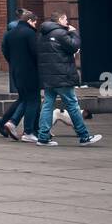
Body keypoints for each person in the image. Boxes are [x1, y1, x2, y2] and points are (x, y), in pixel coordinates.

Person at [33, 12, 103, 147]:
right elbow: (74, 46)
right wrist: (74, 32)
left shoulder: (41, 35)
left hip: (48, 77)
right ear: (59, 20)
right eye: (65, 19)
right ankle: (84, 136)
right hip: (62, 76)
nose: (67, 22)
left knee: (47, 106)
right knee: (72, 105)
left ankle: (42, 137)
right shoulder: (60, 33)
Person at [0, 9, 40, 141]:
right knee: (33, 100)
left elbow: (6, 52)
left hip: (16, 71)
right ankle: (28, 131)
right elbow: (36, 53)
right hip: (30, 72)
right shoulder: (30, 33)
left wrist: (14, 64)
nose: (35, 25)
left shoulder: (9, 34)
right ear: (30, 21)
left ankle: (10, 122)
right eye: (35, 22)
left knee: (24, 99)